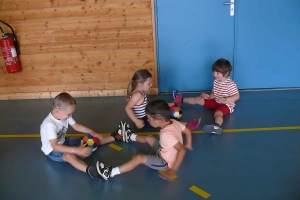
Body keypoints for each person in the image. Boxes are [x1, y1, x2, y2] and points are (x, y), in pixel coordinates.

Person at [96, 99, 193, 181]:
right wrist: (188, 143)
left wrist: (173, 170)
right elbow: (188, 131)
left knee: (139, 158)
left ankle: (109, 173)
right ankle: (129, 136)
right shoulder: (174, 122)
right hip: (164, 149)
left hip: (164, 161)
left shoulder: (167, 135)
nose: (148, 121)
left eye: (150, 119)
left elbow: (182, 150)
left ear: (160, 121)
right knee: (148, 137)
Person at [40, 92, 126, 179]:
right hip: (52, 151)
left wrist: (91, 131)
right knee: (69, 156)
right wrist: (77, 150)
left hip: (64, 142)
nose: (70, 116)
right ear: (58, 110)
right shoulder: (49, 125)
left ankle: (116, 137)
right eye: (69, 114)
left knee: (90, 138)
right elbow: (55, 147)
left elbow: (76, 126)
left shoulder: (63, 115)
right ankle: (91, 171)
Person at [173, 58, 240, 135]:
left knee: (218, 113)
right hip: (216, 101)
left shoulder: (230, 84)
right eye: (214, 72)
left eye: (217, 73)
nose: (214, 74)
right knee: (198, 99)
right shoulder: (216, 81)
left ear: (226, 73)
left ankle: (216, 126)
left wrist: (226, 99)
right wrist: (208, 96)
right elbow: (214, 93)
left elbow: (237, 96)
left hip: (226, 105)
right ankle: (180, 100)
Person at [125, 69, 200, 130]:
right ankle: (187, 125)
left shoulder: (140, 91)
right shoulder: (137, 95)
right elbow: (128, 108)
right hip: (145, 120)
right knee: (166, 121)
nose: (151, 85)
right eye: (149, 83)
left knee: (159, 104)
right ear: (140, 84)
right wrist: (136, 121)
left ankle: (174, 103)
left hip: (147, 113)